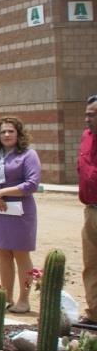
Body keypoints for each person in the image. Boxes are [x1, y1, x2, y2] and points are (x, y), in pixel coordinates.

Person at [0, 117, 40, 313]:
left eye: (10, 131)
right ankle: (7, 297)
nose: (6, 135)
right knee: (3, 253)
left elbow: (32, 184)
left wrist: (1, 192)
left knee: (21, 254)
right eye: (2, 132)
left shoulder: (28, 155)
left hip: (20, 212)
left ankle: (24, 300)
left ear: (18, 134)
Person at [77, 94, 97, 326]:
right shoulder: (86, 137)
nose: (87, 119)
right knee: (91, 264)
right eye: (86, 114)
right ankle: (94, 313)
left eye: (91, 115)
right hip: (91, 210)